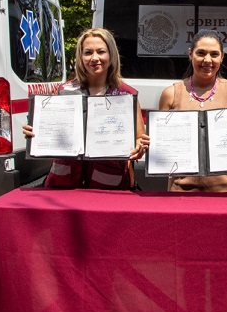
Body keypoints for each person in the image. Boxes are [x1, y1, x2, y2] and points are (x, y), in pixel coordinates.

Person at [23, 28, 148, 190]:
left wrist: (140, 147)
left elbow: (139, 137)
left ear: (111, 56)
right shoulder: (63, 91)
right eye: (88, 52)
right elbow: (49, 132)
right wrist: (34, 132)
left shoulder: (126, 95)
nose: (94, 58)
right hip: (64, 182)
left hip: (109, 184)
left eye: (101, 51)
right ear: (80, 57)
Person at [158, 29, 227, 192]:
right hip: (181, 192)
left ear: (222, 57)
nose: (207, 60)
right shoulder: (171, 94)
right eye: (201, 53)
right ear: (190, 54)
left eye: (214, 54)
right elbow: (164, 149)